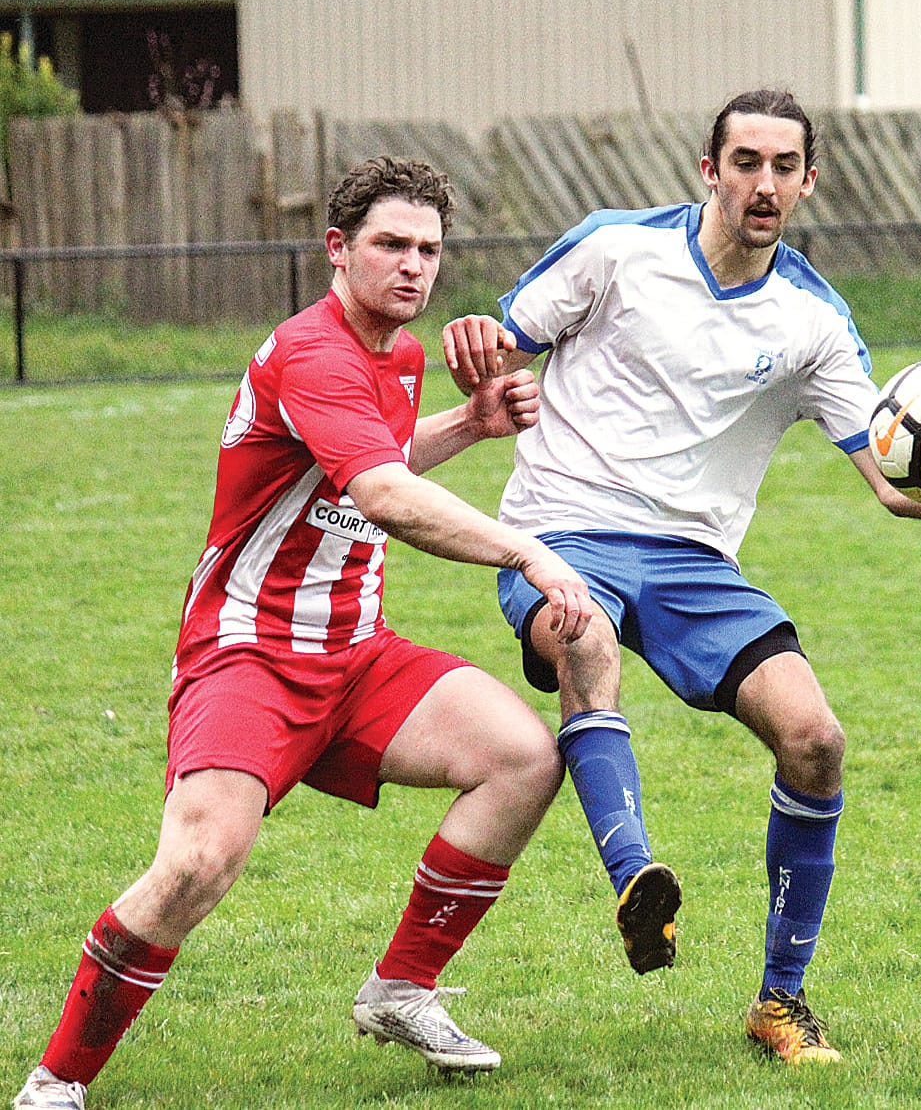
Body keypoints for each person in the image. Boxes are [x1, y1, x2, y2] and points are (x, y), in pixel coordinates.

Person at [441, 89, 921, 1064]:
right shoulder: (616, 250)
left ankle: (780, 1002)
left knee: (817, 740)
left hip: (698, 566)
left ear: (807, 181)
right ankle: (636, 880)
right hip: (562, 534)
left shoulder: (812, 321)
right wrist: (470, 343)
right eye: (745, 161)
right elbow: (498, 356)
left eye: (783, 166)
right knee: (584, 637)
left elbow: (894, 481)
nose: (764, 181)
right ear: (710, 170)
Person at [13, 156, 595, 1110]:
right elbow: (382, 494)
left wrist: (471, 421)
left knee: (523, 755)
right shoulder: (314, 351)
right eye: (391, 245)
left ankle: (401, 988)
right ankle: (57, 1078)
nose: (414, 267)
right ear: (337, 249)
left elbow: (374, 452)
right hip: (249, 655)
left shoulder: (399, 356)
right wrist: (525, 551)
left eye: (429, 250)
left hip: (359, 653)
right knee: (199, 862)